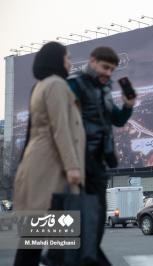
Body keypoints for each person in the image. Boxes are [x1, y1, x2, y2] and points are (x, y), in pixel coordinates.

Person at [13, 42, 85, 266]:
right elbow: (60, 127)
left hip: (42, 168)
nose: (70, 62)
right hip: (51, 170)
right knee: (48, 239)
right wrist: (73, 166)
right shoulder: (56, 84)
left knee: (39, 239)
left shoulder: (41, 85)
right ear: (56, 59)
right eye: (67, 58)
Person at [67, 46, 135, 266]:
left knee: (96, 222)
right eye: (105, 67)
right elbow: (63, 123)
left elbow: (117, 120)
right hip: (78, 161)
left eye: (112, 70)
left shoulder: (104, 90)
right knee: (75, 221)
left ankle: (83, 258)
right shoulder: (74, 84)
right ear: (92, 61)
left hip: (98, 163)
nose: (108, 73)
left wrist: (127, 106)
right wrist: (71, 163)